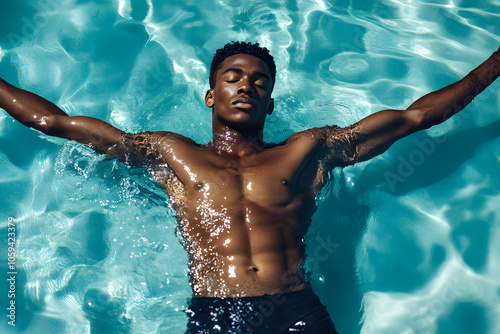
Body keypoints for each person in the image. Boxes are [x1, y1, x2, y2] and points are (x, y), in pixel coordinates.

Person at [1, 41, 499, 333]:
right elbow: (54, 122)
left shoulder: (310, 151)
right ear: (210, 94)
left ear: (272, 102)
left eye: (260, 81)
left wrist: (493, 65)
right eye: (233, 77)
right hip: (216, 312)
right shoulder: (169, 153)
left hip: (297, 310)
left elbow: (415, 117)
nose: (246, 86)